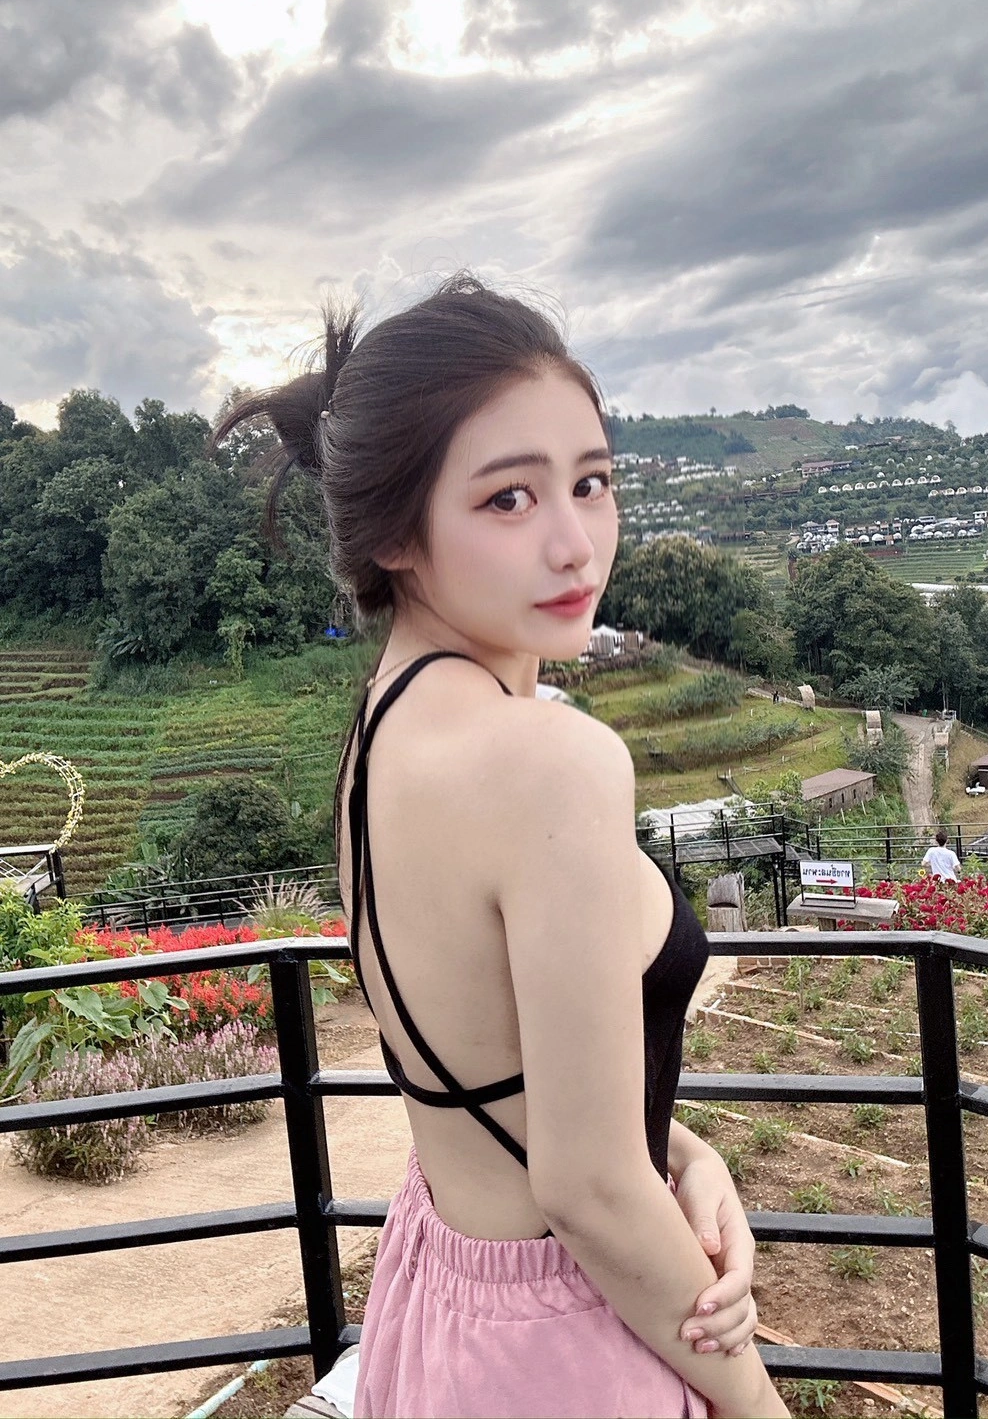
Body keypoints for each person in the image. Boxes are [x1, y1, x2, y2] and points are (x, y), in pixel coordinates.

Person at [214, 273, 786, 1419]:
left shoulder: (385, 728)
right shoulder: (550, 761)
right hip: (571, 1346)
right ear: (396, 534)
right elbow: (587, 1190)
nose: (575, 544)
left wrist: (678, 1154)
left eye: (592, 482)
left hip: (444, 1302)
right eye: (508, 499)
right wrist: (758, 1405)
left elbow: (503, 1060)